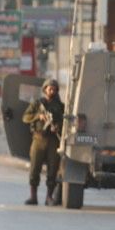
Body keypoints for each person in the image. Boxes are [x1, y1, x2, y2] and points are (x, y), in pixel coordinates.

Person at [22, 78, 65, 206]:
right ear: (45, 89)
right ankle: (33, 196)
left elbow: (65, 122)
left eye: (54, 88)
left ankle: (49, 197)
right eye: (49, 88)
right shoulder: (37, 104)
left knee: (53, 170)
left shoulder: (60, 106)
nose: (51, 90)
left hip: (52, 141)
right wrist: (38, 117)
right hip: (38, 139)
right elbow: (25, 117)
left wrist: (57, 126)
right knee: (35, 168)